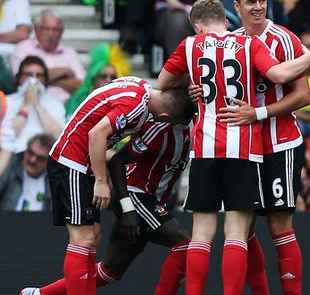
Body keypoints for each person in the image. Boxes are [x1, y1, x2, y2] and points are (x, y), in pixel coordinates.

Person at [157, 0, 310, 295]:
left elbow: (164, 82)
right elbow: (280, 74)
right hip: (243, 148)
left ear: (197, 25)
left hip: (204, 149)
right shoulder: (249, 44)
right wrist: (308, 57)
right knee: (236, 234)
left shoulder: (190, 46)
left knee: (201, 234)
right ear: (227, 21)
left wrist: (194, 84)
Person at [45, 76, 193, 294]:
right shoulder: (135, 106)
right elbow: (96, 134)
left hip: (83, 164)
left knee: (93, 238)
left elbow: (104, 94)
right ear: (164, 117)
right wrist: (102, 181)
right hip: (72, 160)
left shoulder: (140, 86)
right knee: (83, 239)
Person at [21, 121, 194, 295]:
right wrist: (127, 207)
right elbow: (117, 160)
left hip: (150, 199)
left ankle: (38, 294)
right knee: (185, 245)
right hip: (135, 195)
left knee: (109, 272)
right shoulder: (160, 127)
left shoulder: (197, 124)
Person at [217, 0, 310, 295]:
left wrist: (258, 113)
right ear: (237, 6)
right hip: (244, 146)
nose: (258, 7)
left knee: (278, 224)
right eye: (251, 2)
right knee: (243, 228)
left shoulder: (284, 39)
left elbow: (304, 95)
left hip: (280, 142)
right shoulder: (230, 42)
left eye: (262, 0)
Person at [12, 11, 86, 104]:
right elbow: (22, 80)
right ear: (36, 29)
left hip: (66, 106)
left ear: (62, 32)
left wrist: (43, 79)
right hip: (33, 104)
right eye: (46, 29)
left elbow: (82, 85)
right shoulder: (23, 48)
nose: (50, 34)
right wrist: (65, 71)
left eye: (55, 30)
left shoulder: (69, 52)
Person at [1, 57, 65, 156]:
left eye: (39, 75)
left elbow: (58, 136)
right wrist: (27, 105)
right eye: (28, 75)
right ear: (20, 78)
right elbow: (7, 136)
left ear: (45, 79)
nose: (33, 80)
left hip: (44, 157)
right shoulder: (7, 101)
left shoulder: (55, 104)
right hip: (14, 155)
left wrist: (38, 105)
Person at [65, 43, 131, 117]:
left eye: (113, 77)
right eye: (103, 76)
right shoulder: (80, 100)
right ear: (93, 78)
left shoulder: (124, 102)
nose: (109, 80)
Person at [0, 134, 53, 211]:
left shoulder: (54, 182)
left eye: (40, 158)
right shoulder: (9, 167)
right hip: (6, 221)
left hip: (40, 223)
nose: (33, 160)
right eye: (30, 152)